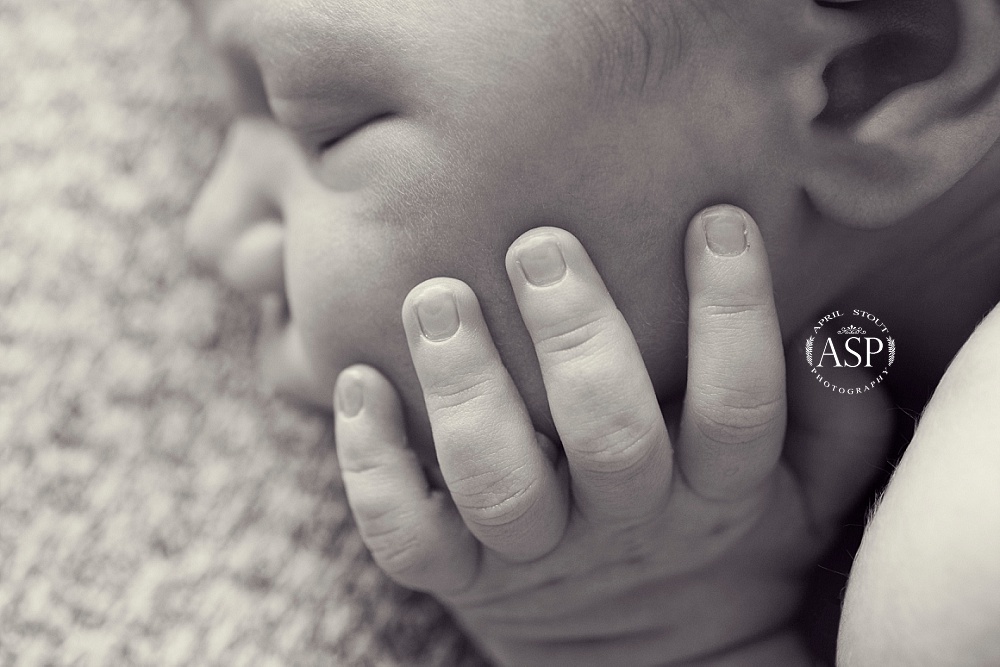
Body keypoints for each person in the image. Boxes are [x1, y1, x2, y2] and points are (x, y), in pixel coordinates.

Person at [180, 0, 1000, 663]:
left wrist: (657, 637)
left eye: (328, 127)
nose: (211, 234)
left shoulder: (956, 574)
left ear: (866, 75)